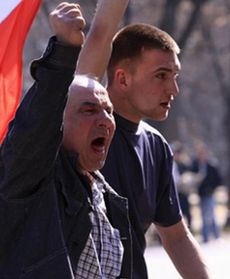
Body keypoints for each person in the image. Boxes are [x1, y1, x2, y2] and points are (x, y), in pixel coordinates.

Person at [0, 1, 131, 278]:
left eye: (108, 111)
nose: (105, 120)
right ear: (58, 124)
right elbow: (38, 123)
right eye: (88, 110)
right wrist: (64, 50)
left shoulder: (108, 198)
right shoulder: (31, 180)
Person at [100, 24, 212, 278]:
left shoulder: (157, 146)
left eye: (175, 75)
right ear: (122, 79)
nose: (173, 89)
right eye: (161, 75)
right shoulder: (79, 135)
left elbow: (177, 238)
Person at [192, 141, 222, 243]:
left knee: (209, 214)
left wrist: (212, 188)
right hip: (201, 194)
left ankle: (210, 236)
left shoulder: (212, 165)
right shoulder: (195, 164)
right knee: (207, 214)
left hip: (210, 193)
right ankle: (212, 235)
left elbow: (218, 179)